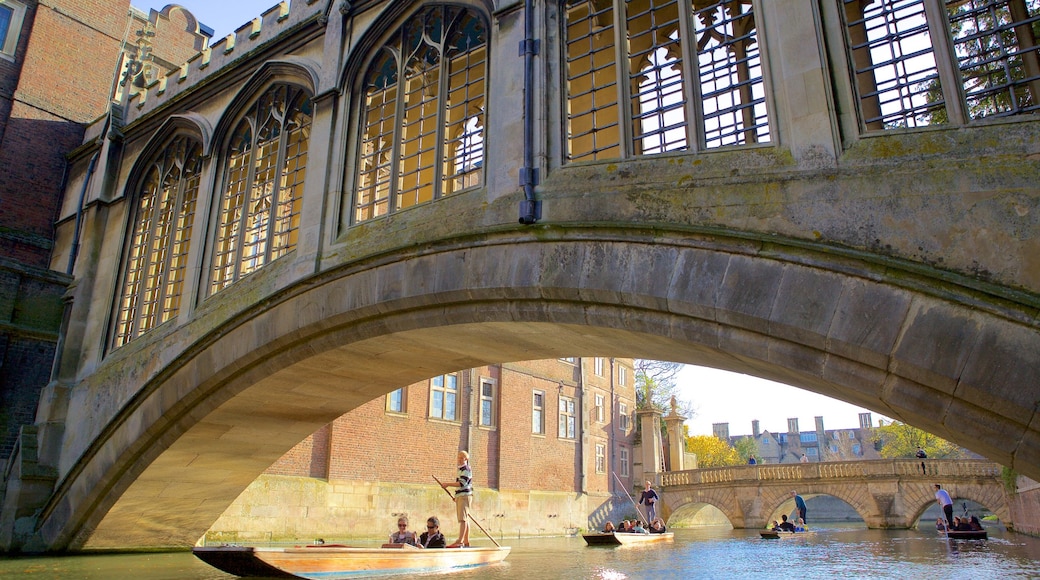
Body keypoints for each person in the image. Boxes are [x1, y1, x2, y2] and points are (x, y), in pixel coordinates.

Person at [440, 450, 473, 548]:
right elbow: (460, 486)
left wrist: (447, 484)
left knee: (462, 519)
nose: (459, 460)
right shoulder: (461, 469)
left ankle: (460, 541)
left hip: (464, 496)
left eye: (461, 458)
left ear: (466, 459)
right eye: (458, 458)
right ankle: (466, 541)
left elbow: (462, 483)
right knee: (465, 519)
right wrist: (456, 496)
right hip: (461, 496)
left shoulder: (466, 469)